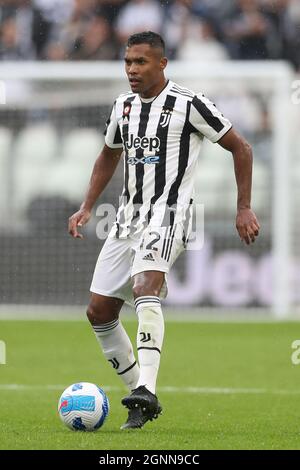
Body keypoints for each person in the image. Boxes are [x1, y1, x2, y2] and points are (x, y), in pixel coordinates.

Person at [68, 31, 260, 430]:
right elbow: (108, 154)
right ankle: (139, 393)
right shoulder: (123, 106)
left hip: (173, 213)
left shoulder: (189, 103)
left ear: (161, 64)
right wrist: (87, 205)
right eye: (127, 62)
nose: (132, 70)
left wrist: (243, 207)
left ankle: (148, 390)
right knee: (99, 311)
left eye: (140, 62)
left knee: (144, 287)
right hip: (126, 217)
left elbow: (241, 147)